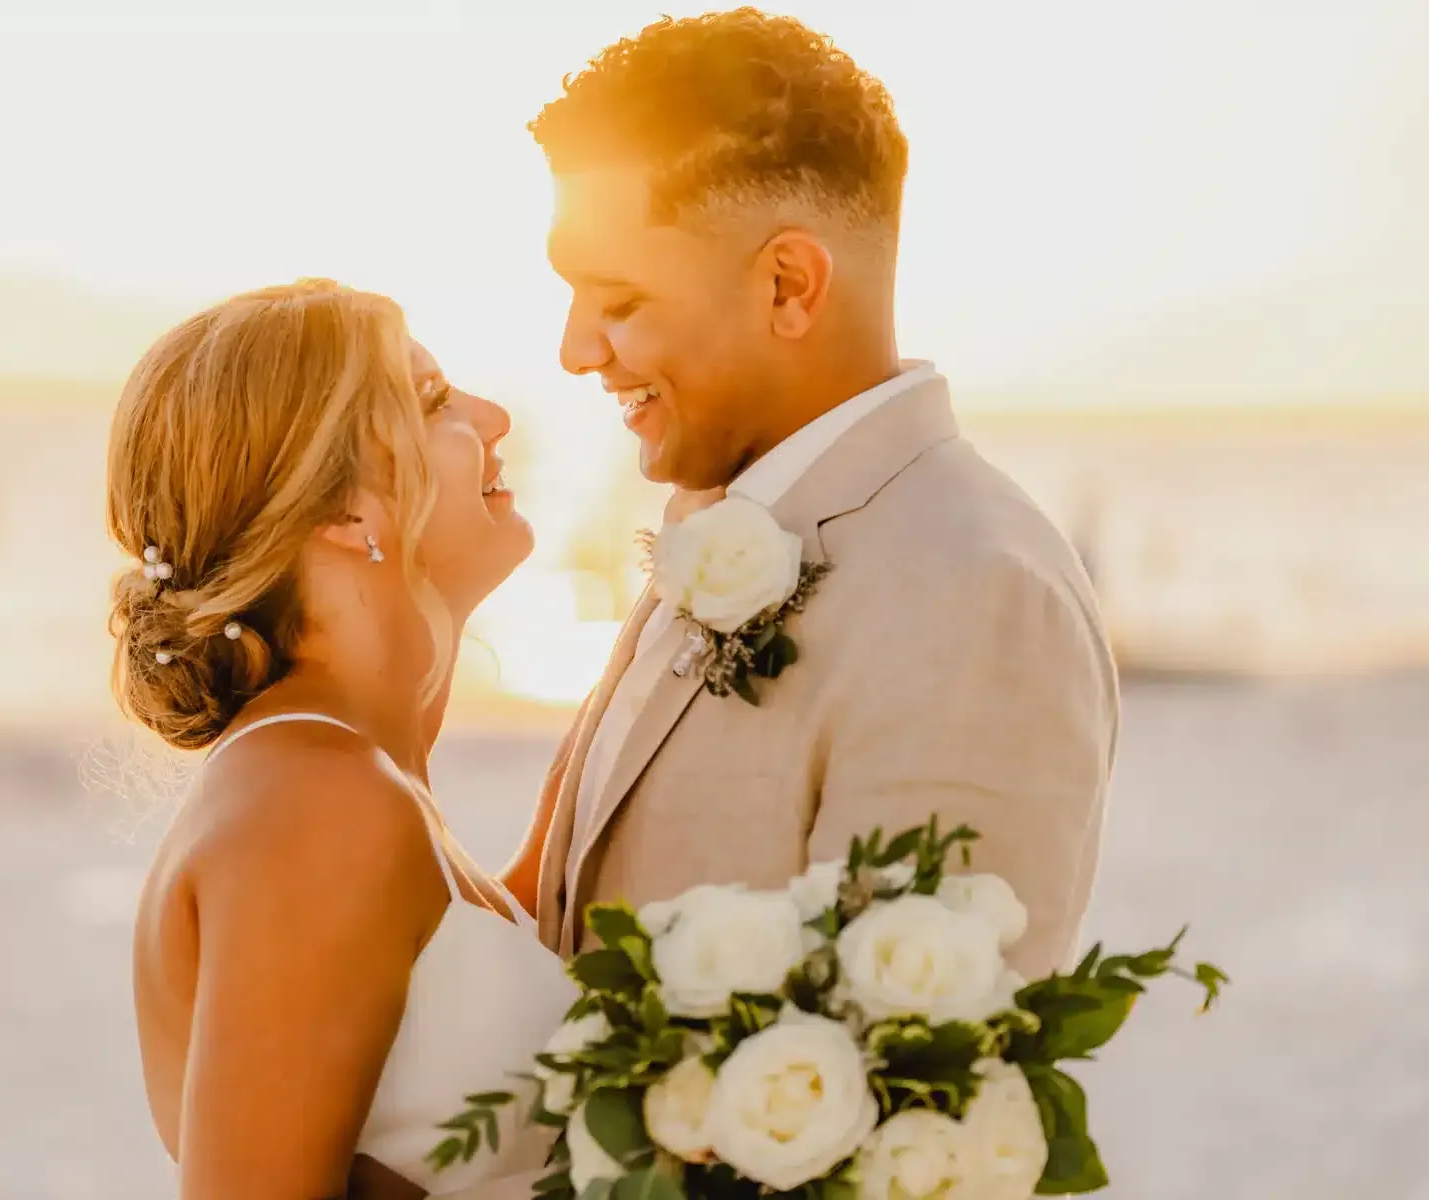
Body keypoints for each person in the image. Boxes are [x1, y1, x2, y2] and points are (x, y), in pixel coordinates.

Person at [526, 10, 1119, 979]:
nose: (575, 349)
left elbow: (913, 1089)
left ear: (789, 286)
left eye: (619, 301)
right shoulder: (724, 531)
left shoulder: (971, 592)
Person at [111, 280, 571, 1198]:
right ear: (344, 515)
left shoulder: (355, 778)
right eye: (435, 402)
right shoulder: (318, 803)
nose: (494, 415)